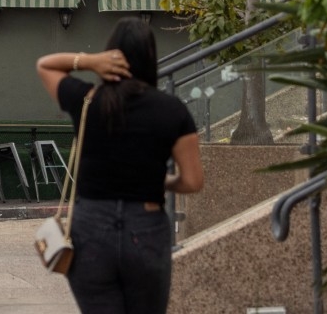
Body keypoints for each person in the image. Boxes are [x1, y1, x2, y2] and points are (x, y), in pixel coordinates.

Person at [36, 19, 203, 314]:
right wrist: (164, 181)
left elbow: (46, 65)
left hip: (90, 229)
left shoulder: (86, 100)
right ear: (150, 58)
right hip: (146, 226)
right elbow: (192, 181)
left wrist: (87, 61)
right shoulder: (172, 110)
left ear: (109, 54)